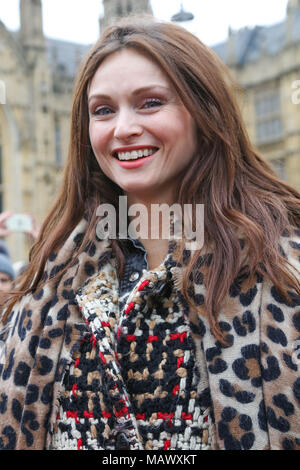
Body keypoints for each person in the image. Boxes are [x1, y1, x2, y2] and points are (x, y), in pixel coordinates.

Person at [0, 17, 299, 451]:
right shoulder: (45, 293)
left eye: (150, 102)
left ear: (204, 112)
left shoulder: (282, 276)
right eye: (103, 110)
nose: (123, 128)